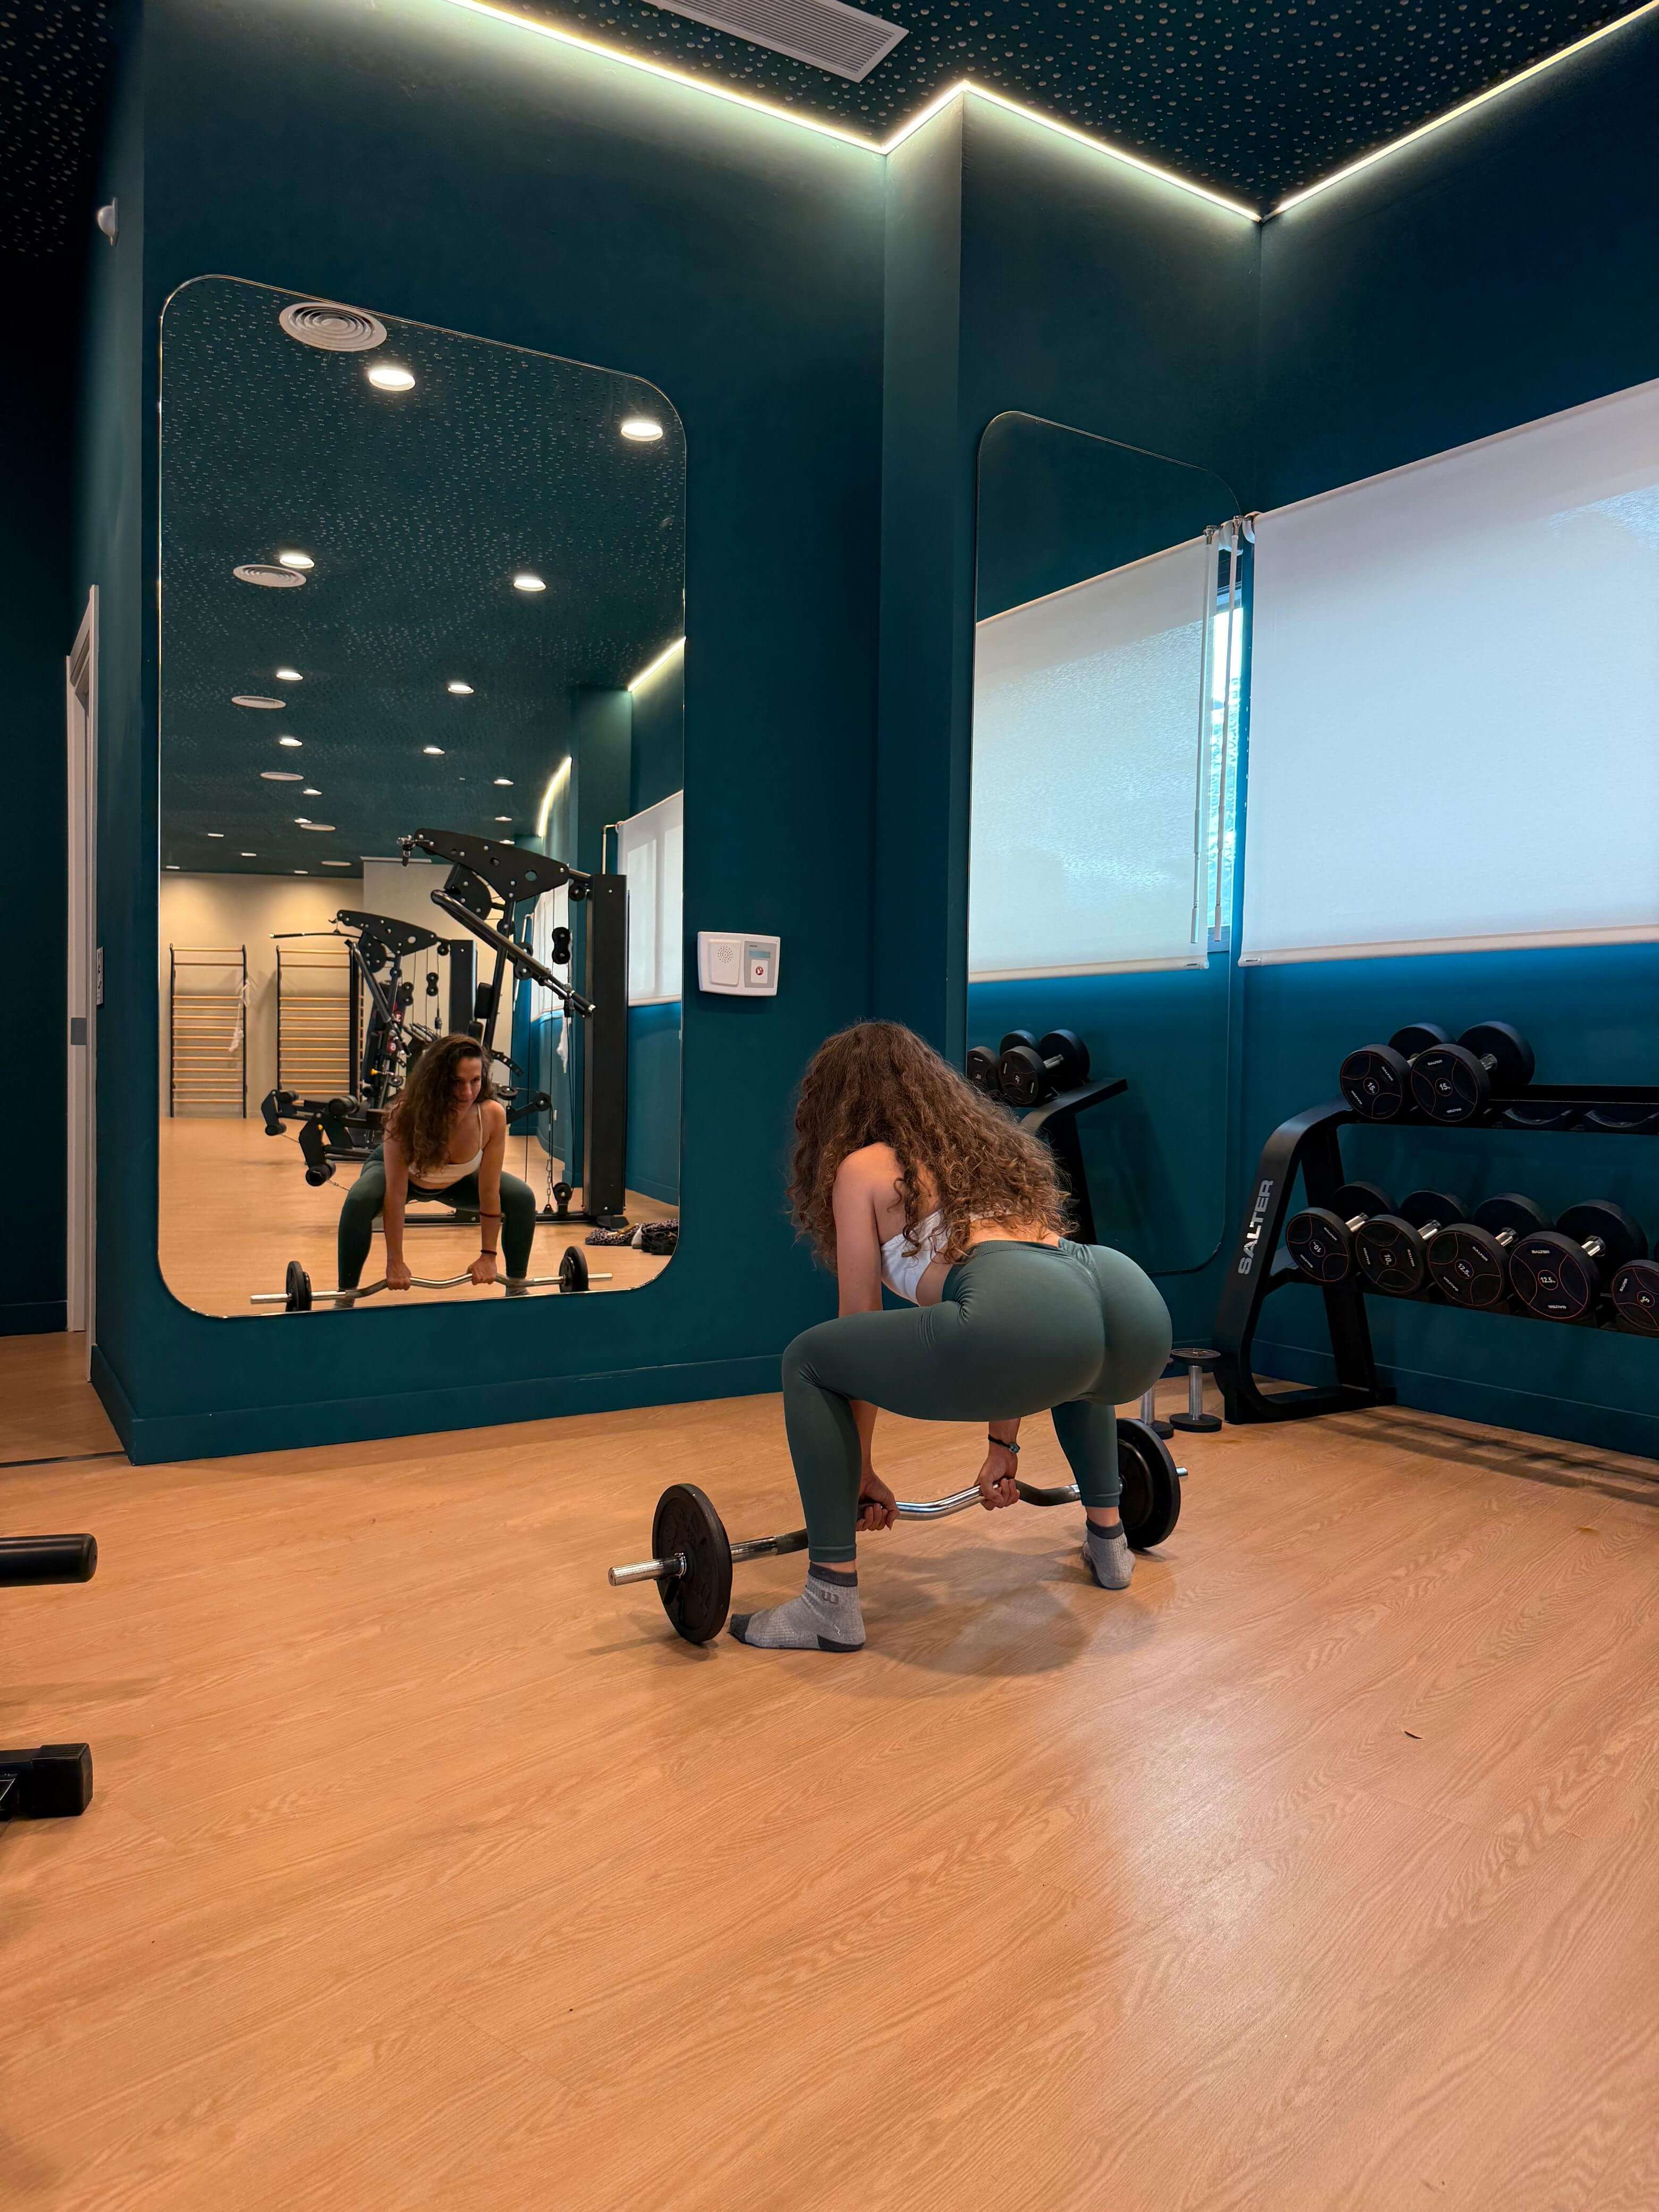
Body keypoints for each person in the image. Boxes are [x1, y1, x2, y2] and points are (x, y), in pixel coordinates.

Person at [730, 1021, 1173, 1653]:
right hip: (1126, 1305)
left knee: (810, 1357)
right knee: (1080, 1372)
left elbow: (855, 1325)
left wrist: (859, 1472)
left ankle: (829, 1603)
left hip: (1033, 1318)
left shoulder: (863, 1168)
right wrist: (1002, 1446)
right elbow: (1036, 1316)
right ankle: (1110, 1540)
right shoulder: (992, 1153)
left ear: (835, 1105)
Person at [335, 1033, 537, 1300]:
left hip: (457, 1182)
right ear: (438, 1080)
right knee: (359, 1200)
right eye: (457, 1082)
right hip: (401, 1178)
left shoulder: (491, 1115)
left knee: (522, 1197)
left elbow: (490, 1191)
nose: (468, 1093)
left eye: (475, 1081)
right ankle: (346, 1294)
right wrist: (395, 1261)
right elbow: (396, 1194)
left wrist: (488, 1256)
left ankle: (516, 1286)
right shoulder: (405, 1115)